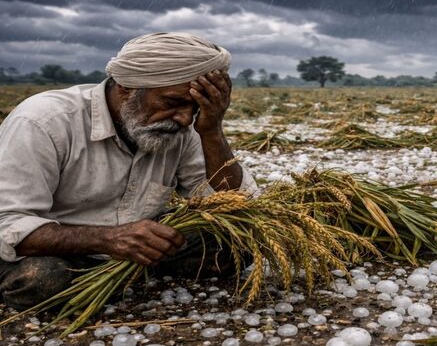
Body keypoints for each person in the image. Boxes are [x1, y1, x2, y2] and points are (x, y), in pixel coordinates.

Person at [0, 32, 258, 311]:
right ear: (126, 88)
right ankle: (118, 273)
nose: (185, 118)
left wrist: (211, 130)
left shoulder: (181, 129)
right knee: (45, 280)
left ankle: (124, 272)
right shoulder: (45, 122)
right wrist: (108, 239)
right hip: (57, 250)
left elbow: (236, 206)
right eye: (172, 103)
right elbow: (9, 223)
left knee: (233, 246)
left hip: (133, 248)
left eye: (195, 107)